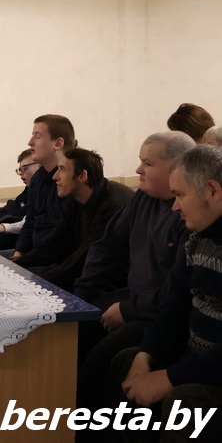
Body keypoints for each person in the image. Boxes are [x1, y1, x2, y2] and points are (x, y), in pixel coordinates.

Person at [106, 144, 222, 441]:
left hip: (214, 368)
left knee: (186, 402)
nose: (174, 207)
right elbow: (176, 305)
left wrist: (171, 377)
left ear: (212, 191)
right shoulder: (196, 240)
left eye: (180, 195)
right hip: (197, 357)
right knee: (127, 363)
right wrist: (148, 353)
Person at [73, 131, 195, 411]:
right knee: (71, 328)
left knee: (99, 360)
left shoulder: (189, 213)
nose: (138, 170)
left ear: (177, 168)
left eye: (148, 164)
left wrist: (129, 310)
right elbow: (108, 247)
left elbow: (178, 291)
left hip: (160, 313)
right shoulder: (143, 197)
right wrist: (81, 295)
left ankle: (82, 424)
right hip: (135, 298)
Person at [15, 148, 133, 291]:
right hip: (87, 272)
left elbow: (84, 260)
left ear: (82, 176)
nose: (55, 177)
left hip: (116, 284)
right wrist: (14, 266)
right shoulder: (75, 199)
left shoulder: (112, 207)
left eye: (62, 169)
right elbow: (55, 243)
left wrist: (30, 279)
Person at [11, 114, 76, 260]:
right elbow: (30, 221)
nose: (30, 142)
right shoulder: (38, 178)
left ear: (58, 143)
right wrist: (19, 251)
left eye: (37, 136)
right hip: (34, 254)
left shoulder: (70, 182)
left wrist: (27, 260)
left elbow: (62, 237)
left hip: (53, 260)